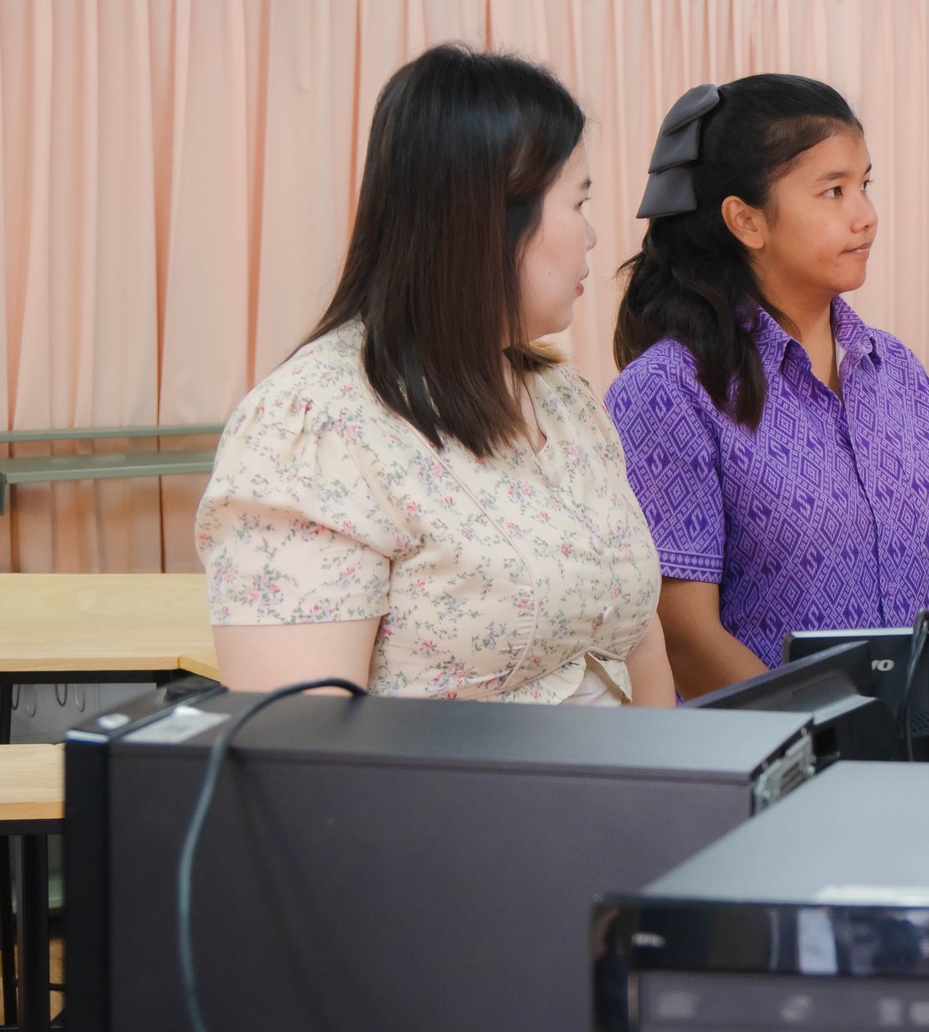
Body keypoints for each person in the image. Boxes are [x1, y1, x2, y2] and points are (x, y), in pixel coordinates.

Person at [196, 45, 674, 705]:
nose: (593, 237)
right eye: (578, 204)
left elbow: (636, 638)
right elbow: (302, 757)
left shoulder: (562, 396)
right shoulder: (319, 425)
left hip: (627, 798)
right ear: (490, 219)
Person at [606, 74, 929, 699]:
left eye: (863, 185)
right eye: (833, 191)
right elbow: (682, 633)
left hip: (927, 766)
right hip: (776, 772)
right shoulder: (670, 391)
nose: (866, 215)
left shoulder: (899, 372)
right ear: (746, 220)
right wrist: (838, 746)